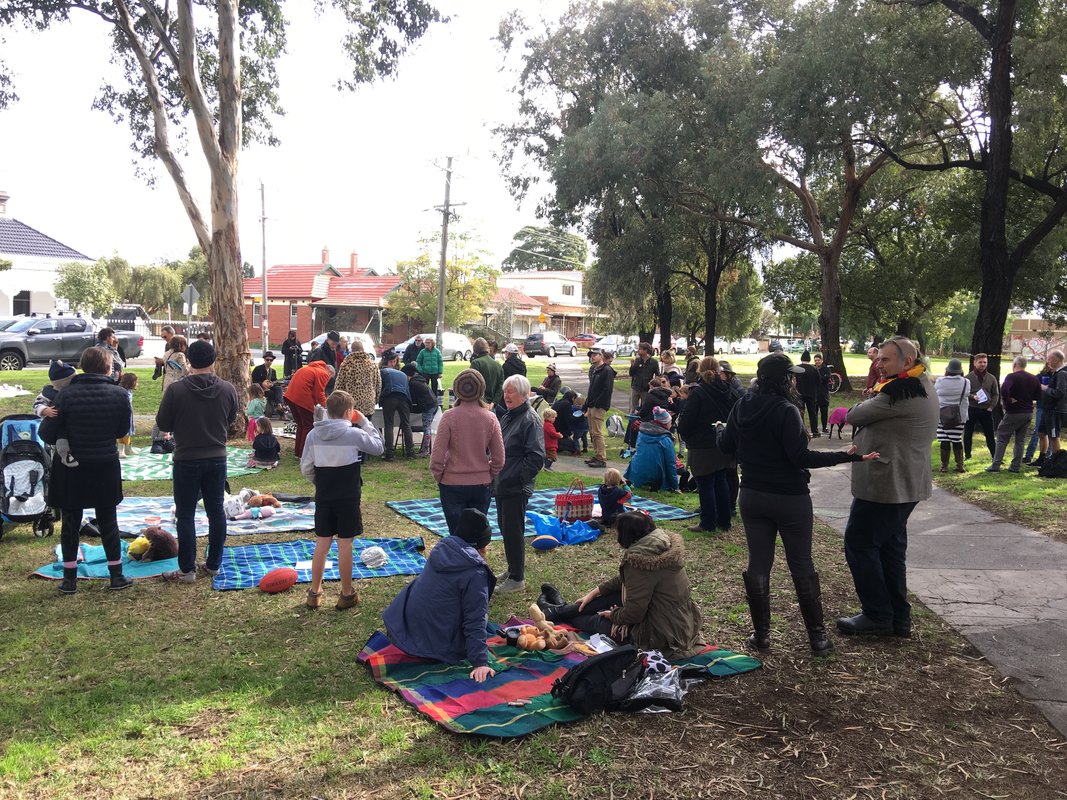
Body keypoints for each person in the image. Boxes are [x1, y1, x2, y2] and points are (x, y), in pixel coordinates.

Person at [718, 352, 875, 656]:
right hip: (790, 498)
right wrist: (848, 456)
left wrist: (718, 431)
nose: (794, 381)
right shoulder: (787, 410)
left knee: (758, 563)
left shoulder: (742, 406)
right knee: (801, 564)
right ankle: (818, 639)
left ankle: (762, 636)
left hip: (752, 494)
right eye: (791, 376)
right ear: (783, 380)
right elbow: (801, 458)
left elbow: (726, 445)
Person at [838, 336, 939, 637]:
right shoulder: (919, 383)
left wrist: (871, 395)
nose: (878, 364)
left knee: (860, 543)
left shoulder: (899, 393)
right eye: (878, 359)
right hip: (901, 483)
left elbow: (854, 414)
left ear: (906, 361)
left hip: (887, 485)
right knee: (890, 549)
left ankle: (878, 615)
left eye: (885, 360)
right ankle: (897, 617)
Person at [536, 513, 704, 659]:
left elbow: (634, 614)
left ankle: (558, 611)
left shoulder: (640, 560)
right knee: (606, 597)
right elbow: (629, 581)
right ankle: (556, 610)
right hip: (677, 621)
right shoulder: (659, 546)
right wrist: (596, 591)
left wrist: (613, 615)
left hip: (658, 635)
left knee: (595, 621)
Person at [40, 347, 134, 594]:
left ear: (82, 367)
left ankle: (69, 579)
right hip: (105, 465)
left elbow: (46, 432)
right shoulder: (120, 395)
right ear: (108, 368)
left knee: (71, 522)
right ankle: (116, 575)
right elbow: (121, 431)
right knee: (108, 521)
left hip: (72, 467)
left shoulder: (65, 395)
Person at [154, 339, 238, 583]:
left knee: (186, 514)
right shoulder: (227, 389)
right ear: (213, 361)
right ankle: (213, 564)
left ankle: (187, 569)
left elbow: (163, 423)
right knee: (216, 511)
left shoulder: (176, 390)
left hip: (187, 458)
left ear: (188, 360)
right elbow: (231, 419)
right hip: (217, 457)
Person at [383, 508, 497, 683]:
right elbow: (475, 618)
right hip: (431, 646)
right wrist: (480, 662)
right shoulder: (475, 572)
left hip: (401, 626)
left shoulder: (443, 547)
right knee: (483, 620)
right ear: (483, 544)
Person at [300, 390, 384, 609]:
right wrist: (364, 422)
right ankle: (346, 593)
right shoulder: (354, 434)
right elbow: (378, 447)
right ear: (349, 412)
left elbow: (306, 467)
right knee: (345, 544)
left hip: (324, 495)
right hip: (348, 496)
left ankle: (315, 592)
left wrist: (320, 482)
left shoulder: (313, 435)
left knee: (322, 542)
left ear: (328, 411)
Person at [430, 369, 505, 534]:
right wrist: (488, 474)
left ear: (457, 390)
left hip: (452, 484)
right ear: (482, 390)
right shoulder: (490, 418)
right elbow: (499, 458)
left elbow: (437, 456)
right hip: (481, 484)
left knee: (457, 537)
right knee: (477, 536)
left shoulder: (449, 416)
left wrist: (440, 477)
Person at [495, 375, 545, 594]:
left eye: (511, 391)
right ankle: (512, 568)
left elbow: (536, 457)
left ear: (524, 394)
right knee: (505, 527)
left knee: (513, 531)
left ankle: (517, 579)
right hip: (503, 482)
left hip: (514, 486)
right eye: (505, 391)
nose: (506, 395)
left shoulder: (529, 419)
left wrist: (518, 479)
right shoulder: (510, 415)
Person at [678, 356, 737, 533]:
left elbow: (687, 419)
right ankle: (724, 520)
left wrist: (685, 433)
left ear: (700, 371)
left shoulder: (698, 392)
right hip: (722, 440)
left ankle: (708, 522)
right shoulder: (728, 390)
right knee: (720, 481)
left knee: (705, 484)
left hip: (702, 443)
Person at [987, 356, 1043, 473]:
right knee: (1020, 440)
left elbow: (1004, 390)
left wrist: (1007, 401)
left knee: (1002, 437)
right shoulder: (1033, 378)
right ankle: (1015, 466)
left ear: (1014, 365)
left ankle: (996, 465)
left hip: (1014, 412)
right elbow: (1038, 395)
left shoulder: (1012, 376)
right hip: (1028, 412)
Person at [283, 359, 334, 458]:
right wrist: (328, 406)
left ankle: (298, 452)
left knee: (301, 425)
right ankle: (304, 453)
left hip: (290, 397)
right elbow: (319, 394)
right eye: (330, 378)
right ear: (330, 373)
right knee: (308, 425)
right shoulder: (323, 373)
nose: (328, 380)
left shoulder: (308, 368)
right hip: (302, 399)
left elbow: (313, 390)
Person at [624, 406, 681, 492]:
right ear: (665, 423)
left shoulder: (641, 433)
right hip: (656, 476)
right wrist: (676, 487)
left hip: (636, 472)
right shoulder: (666, 439)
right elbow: (671, 464)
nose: (671, 423)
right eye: (670, 421)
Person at [151, 334, 189, 451]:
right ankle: (169, 439)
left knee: (165, 409)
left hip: (167, 382)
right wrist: (190, 366)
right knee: (177, 410)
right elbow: (185, 370)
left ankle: (158, 439)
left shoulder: (167, 353)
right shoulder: (180, 355)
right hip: (177, 382)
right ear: (182, 345)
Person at [935, 359, 969, 474]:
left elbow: (935, 393)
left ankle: (944, 466)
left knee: (944, 439)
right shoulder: (966, 382)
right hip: (959, 415)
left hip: (942, 415)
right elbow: (967, 394)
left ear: (948, 370)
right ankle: (960, 465)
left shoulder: (940, 381)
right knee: (957, 438)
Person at [584, 347, 616, 469]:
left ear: (601, 356)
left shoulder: (606, 370)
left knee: (597, 432)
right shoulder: (595, 369)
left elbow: (607, 390)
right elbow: (592, 389)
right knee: (592, 432)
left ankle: (601, 458)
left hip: (599, 406)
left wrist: (597, 403)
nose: (592, 357)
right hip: (592, 405)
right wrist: (587, 404)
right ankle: (597, 455)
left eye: (595, 355)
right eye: (591, 355)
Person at [963, 353, 999, 460]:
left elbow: (996, 394)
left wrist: (991, 407)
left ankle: (995, 457)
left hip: (986, 410)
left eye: (985, 362)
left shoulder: (991, 378)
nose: (983, 364)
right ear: (974, 363)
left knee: (990, 434)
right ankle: (967, 456)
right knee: (968, 433)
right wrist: (972, 396)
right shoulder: (968, 378)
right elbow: (963, 393)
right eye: (980, 362)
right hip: (972, 409)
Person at [1034, 349, 1067, 466]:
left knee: (1054, 436)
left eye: (1049, 359)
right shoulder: (1055, 372)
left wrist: (1045, 388)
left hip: (1055, 410)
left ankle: (1057, 463)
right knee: (1041, 433)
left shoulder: (1062, 373)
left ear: (1056, 360)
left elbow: (1060, 393)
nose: (1047, 361)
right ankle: (1042, 459)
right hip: (1047, 409)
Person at [379, 350, 413, 460]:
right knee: (406, 424)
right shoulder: (403, 374)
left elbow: (379, 387)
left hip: (390, 397)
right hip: (404, 398)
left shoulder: (382, 372)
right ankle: (410, 452)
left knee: (389, 424)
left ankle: (389, 453)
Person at [334, 339, 381, 419]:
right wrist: (375, 399)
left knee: (351, 426)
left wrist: (338, 402)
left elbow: (339, 385)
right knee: (366, 425)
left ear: (351, 350)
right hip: (368, 403)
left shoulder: (346, 364)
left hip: (351, 404)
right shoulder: (373, 364)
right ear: (363, 349)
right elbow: (378, 384)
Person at [1024, 359, 1056, 465]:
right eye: (1049, 363)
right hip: (1041, 406)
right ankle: (1029, 456)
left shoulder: (1058, 375)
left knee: (1051, 433)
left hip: (1053, 408)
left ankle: (1047, 457)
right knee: (1038, 431)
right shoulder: (1041, 376)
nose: (1051, 365)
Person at [409, 372, 438, 456]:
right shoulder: (419, 381)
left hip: (428, 406)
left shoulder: (413, 384)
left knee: (426, 428)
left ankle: (425, 450)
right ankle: (425, 448)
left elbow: (412, 397)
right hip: (433, 404)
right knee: (427, 428)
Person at [470, 337, 504, 407]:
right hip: (492, 404)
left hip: (478, 404)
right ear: (487, 348)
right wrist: (494, 402)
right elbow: (500, 387)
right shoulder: (498, 365)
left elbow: (472, 384)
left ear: (475, 350)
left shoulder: (476, 363)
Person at [795, 351, 821, 437]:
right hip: (811, 394)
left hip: (799, 393)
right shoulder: (814, 369)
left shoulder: (796, 368)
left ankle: (801, 430)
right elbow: (819, 381)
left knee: (800, 412)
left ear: (801, 359)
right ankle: (815, 431)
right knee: (812, 413)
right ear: (809, 359)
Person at [628, 342, 659, 412]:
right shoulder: (637, 360)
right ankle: (632, 417)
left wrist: (653, 384)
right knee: (633, 407)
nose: (638, 351)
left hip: (646, 388)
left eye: (640, 349)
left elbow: (657, 374)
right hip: (636, 387)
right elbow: (631, 373)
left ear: (645, 350)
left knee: (645, 407)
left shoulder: (653, 362)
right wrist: (632, 366)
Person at [250, 351, 283, 415]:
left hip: (269, 389)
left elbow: (274, 381)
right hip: (259, 389)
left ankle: (279, 405)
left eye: (271, 360)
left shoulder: (273, 371)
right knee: (274, 394)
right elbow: (253, 381)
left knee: (279, 389)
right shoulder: (258, 369)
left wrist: (273, 384)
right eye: (267, 360)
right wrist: (262, 384)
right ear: (264, 360)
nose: (269, 361)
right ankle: (280, 411)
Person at [116, 372, 139, 458]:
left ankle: (126, 449)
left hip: (127, 414)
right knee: (125, 432)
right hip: (124, 415)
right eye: (136, 382)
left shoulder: (128, 391)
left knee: (126, 433)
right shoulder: (125, 392)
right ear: (131, 383)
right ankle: (123, 450)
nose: (137, 384)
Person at [813, 353, 832, 434]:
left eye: (818, 360)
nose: (817, 362)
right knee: (814, 412)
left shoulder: (826, 369)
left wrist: (817, 378)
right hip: (814, 394)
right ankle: (814, 428)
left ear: (822, 360)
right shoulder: (812, 368)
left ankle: (824, 427)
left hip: (823, 394)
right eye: (816, 360)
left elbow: (826, 378)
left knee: (824, 412)